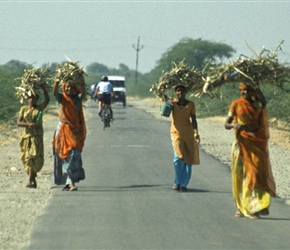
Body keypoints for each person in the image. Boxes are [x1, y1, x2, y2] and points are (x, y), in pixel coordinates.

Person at [225, 82, 276, 219]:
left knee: (256, 174)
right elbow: (226, 123)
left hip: (256, 144)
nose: (244, 93)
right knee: (241, 175)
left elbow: (264, 102)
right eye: (242, 90)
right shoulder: (235, 104)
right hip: (241, 144)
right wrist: (233, 125)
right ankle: (240, 208)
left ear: (253, 92)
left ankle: (255, 206)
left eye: (247, 90)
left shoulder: (257, 105)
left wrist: (257, 84)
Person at [52, 77, 87, 191]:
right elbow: (54, 92)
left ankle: (70, 180)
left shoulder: (77, 99)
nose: (69, 89)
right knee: (66, 155)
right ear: (64, 88)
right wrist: (57, 82)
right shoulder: (61, 98)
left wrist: (81, 82)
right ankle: (69, 181)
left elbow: (83, 93)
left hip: (75, 131)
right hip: (63, 130)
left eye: (72, 87)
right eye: (67, 87)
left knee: (74, 154)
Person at [17, 83, 50, 188]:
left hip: (37, 136)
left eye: (34, 98)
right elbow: (19, 122)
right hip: (26, 136)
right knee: (27, 158)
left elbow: (47, 101)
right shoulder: (23, 109)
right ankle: (33, 178)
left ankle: (30, 179)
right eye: (30, 97)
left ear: (36, 99)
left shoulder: (39, 108)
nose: (32, 100)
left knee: (33, 156)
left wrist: (44, 89)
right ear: (27, 98)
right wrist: (28, 124)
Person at [169, 84, 200, 192]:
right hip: (176, 133)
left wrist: (196, 133)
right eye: (177, 91)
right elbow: (164, 113)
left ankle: (183, 183)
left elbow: (194, 119)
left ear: (186, 92)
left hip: (188, 133)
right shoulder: (172, 103)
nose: (180, 93)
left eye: (182, 91)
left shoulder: (190, 105)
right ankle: (177, 182)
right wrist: (166, 101)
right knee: (178, 158)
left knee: (188, 159)